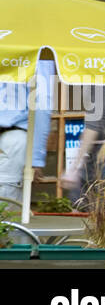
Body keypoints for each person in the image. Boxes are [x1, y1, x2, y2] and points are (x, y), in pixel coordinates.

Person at [0, 60, 55, 210]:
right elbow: (43, 102)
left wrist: (35, 158)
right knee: (6, 213)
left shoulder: (29, 46)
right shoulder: (39, 51)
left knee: (6, 211)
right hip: (11, 139)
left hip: (10, 137)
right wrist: (35, 159)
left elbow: (41, 103)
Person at [58, 85, 105, 203]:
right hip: (99, 150)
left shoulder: (102, 78)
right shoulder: (95, 75)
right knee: (81, 204)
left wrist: (73, 168)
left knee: (103, 210)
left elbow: (92, 126)